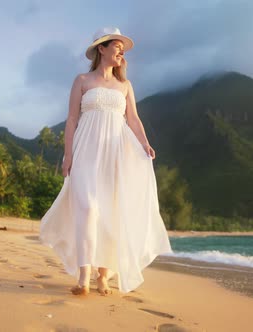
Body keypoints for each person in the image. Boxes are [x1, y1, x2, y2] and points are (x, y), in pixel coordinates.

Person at [40, 27, 172, 296]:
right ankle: (83, 276)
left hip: (116, 154)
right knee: (87, 209)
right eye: (117, 46)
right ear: (101, 48)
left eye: (123, 48)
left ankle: (103, 275)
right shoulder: (82, 80)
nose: (122, 51)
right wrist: (68, 154)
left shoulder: (125, 85)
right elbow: (72, 119)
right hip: (85, 151)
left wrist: (144, 143)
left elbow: (133, 119)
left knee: (111, 212)